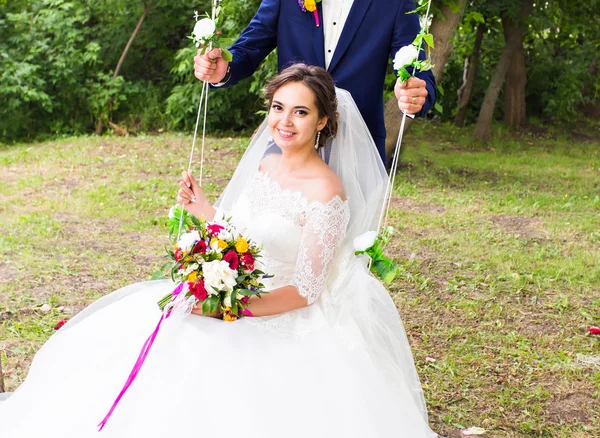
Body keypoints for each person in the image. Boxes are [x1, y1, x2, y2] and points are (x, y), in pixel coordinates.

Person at [0, 64, 436, 437]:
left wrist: (231, 310)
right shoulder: (267, 164)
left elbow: (306, 290)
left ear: (323, 121)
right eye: (278, 108)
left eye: (301, 112)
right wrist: (204, 210)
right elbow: (240, 237)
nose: (285, 121)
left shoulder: (326, 193)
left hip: (275, 313)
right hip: (225, 295)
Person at [194, 0, 437, 162]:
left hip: (357, 146)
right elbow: (249, 48)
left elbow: (418, 69)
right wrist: (224, 68)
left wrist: (416, 93)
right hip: (290, 137)